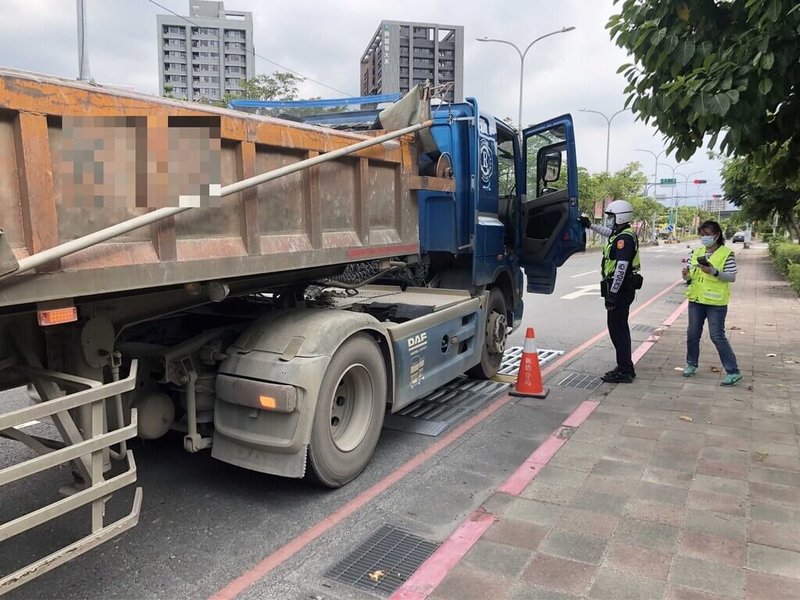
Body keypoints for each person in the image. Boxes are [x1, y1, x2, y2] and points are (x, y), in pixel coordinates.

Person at [579, 200, 642, 383]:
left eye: (611, 217)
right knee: (618, 328)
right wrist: (590, 225)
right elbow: (609, 234)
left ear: (620, 216)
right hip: (620, 288)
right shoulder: (621, 234)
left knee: (618, 330)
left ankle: (624, 370)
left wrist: (613, 293)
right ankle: (625, 366)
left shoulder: (625, 239)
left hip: (620, 289)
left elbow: (621, 267)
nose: (609, 220)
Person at [681, 220, 742, 386]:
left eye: (707, 234)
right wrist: (686, 275)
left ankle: (733, 371)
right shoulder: (697, 252)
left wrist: (713, 271)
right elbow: (690, 276)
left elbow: (731, 277)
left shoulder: (726, 253)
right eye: (702, 234)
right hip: (696, 299)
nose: (704, 238)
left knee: (717, 336)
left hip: (716, 303)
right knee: (692, 334)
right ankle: (691, 364)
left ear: (716, 235)